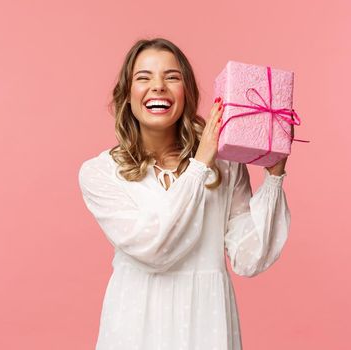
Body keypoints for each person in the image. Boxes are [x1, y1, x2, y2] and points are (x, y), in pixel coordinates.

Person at [78, 37, 292, 350]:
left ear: (186, 92)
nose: (158, 86)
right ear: (127, 94)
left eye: (172, 77)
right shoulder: (100, 173)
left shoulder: (226, 166)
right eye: (144, 78)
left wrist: (274, 175)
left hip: (207, 324)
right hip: (135, 327)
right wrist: (200, 163)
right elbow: (154, 250)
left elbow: (249, 259)